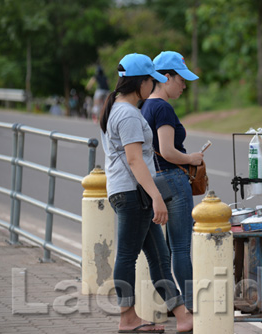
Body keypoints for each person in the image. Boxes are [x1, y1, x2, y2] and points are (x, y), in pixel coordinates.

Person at [99, 53, 192, 333]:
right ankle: (127, 319)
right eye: (152, 80)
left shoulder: (117, 108)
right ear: (141, 82)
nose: (154, 85)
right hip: (133, 193)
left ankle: (183, 316)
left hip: (129, 191)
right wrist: (155, 196)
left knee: (160, 257)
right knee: (128, 256)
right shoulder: (127, 113)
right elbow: (135, 160)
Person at [141, 51, 202, 311]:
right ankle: (189, 305)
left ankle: (173, 302)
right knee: (180, 247)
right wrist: (192, 158)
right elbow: (167, 151)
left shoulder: (144, 106)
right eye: (181, 80)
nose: (184, 85)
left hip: (154, 179)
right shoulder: (163, 107)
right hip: (174, 179)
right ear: (167, 77)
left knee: (165, 250)